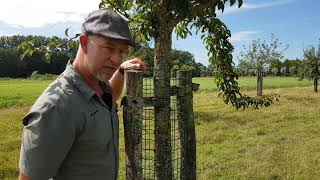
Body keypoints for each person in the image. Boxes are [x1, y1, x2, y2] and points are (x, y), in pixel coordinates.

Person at [19, 9, 146, 180]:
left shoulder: (98, 85)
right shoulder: (57, 107)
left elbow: (106, 101)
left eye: (122, 52)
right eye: (109, 48)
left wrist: (121, 71)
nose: (117, 59)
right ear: (85, 43)